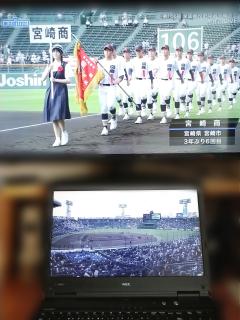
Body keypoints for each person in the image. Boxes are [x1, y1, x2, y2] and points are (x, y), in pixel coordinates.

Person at [41, 44, 71, 147]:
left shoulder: (65, 65)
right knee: (53, 116)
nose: (55, 53)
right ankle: (57, 138)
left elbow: (68, 80)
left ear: (61, 53)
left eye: (57, 51)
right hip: (51, 91)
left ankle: (64, 132)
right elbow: (43, 78)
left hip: (61, 91)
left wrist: (55, 80)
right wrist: (48, 69)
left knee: (59, 114)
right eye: (53, 51)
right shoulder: (50, 64)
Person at [97, 43, 124, 136]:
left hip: (111, 87)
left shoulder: (116, 62)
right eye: (105, 50)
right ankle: (104, 127)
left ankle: (113, 117)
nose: (107, 52)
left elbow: (121, 75)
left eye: (108, 50)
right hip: (101, 87)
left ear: (112, 52)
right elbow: (95, 75)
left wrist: (117, 80)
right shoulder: (99, 62)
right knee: (103, 107)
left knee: (111, 105)